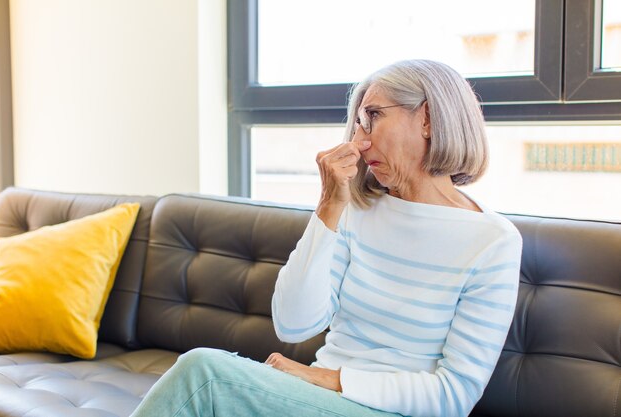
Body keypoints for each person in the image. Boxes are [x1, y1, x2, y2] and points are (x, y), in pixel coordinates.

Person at [131, 59, 522, 417]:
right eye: (356, 123)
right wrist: (329, 206)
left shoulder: (492, 241)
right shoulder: (357, 212)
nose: (359, 140)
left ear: (429, 118)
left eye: (372, 117)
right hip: (317, 399)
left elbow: (453, 397)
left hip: (384, 408)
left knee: (206, 375)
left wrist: (332, 380)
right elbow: (293, 325)